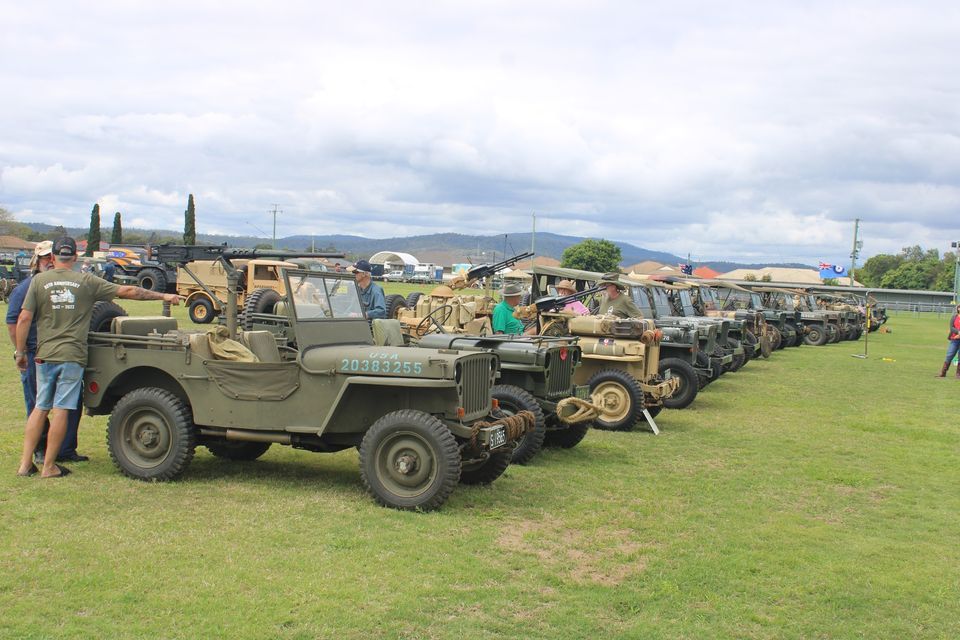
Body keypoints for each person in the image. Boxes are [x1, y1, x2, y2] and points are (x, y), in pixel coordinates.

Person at [15, 236, 181, 478]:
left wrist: (20, 352)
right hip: (72, 355)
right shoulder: (86, 281)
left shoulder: (39, 281)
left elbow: (23, 319)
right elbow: (129, 291)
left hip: (44, 355)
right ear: (74, 257)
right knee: (61, 408)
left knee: (40, 408)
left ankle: (24, 464)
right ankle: (49, 466)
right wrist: (165, 296)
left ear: (52, 258)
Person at [6, 241, 88, 464]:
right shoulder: (27, 287)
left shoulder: (57, 284)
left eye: (49, 257)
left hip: (54, 351)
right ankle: (41, 451)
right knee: (39, 404)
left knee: (67, 404)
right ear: (38, 260)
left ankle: (65, 450)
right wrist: (21, 351)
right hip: (35, 352)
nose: (48, 262)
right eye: (44, 258)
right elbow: (14, 322)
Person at [938, 303, 960, 378]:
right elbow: (951, 328)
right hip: (954, 340)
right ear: (958, 309)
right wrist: (958, 332)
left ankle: (958, 374)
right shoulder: (954, 317)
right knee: (949, 355)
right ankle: (943, 372)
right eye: (959, 307)